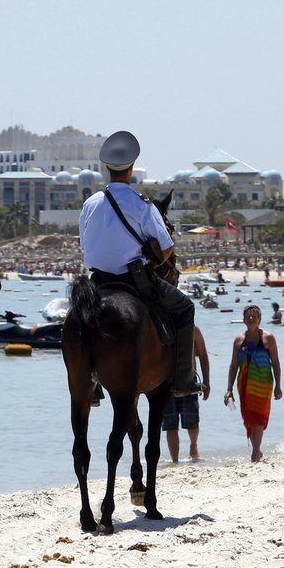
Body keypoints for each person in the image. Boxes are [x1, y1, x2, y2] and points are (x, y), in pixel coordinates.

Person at [79, 130, 200, 397]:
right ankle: (184, 379)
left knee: (78, 319)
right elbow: (167, 247)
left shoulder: (89, 204)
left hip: (97, 280)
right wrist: (150, 261)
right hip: (133, 279)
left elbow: (85, 245)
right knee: (185, 308)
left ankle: (91, 384)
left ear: (107, 168)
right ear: (131, 168)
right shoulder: (142, 204)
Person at [224, 305, 283, 462]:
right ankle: (258, 450)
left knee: (258, 418)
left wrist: (278, 386)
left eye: (254, 316)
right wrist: (229, 389)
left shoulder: (268, 338)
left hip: (263, 384)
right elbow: (233, 365)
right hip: (244, 385)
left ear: (260, 319)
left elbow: (276, 363)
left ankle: (255, 454)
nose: (251, 319)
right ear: (243, 320)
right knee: (248, 418)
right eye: (248, 316)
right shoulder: (239, 340)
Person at [164, 326, 211, 463]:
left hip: (188, 379)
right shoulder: (162, 326)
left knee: (192, 422)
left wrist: (206, 381)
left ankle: (193, 445)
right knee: (170, 425)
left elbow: (203, 355)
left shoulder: (193, 329)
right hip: (166, 382)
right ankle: (175, 461)